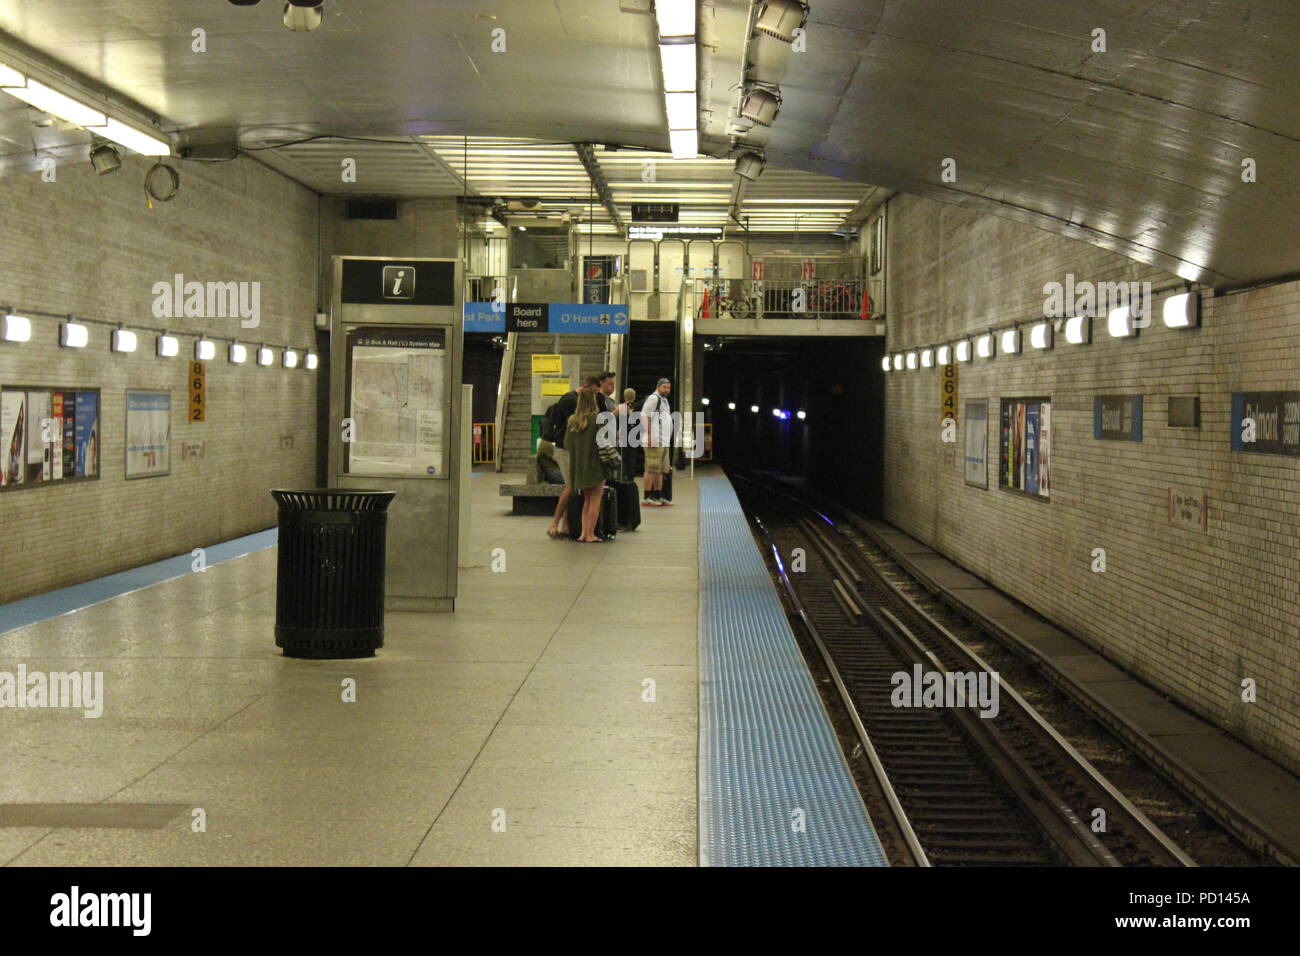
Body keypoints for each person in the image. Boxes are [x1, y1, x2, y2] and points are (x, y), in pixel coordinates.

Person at [546, 375, 599, 539]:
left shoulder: (573, 401)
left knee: (575, 487)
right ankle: (554, 524)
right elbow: (578, 430)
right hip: (566, 451)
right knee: (570, 486)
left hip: (569, 450)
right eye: (596, 393)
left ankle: (566, 526)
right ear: (587, 388)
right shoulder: (570, 401)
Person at [564, 388, 607, 542]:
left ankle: (583, 533)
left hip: (579, 466)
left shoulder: (572, 421)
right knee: (595, 499)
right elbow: (605, 442)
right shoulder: (598, 420)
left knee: (587, 500)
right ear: (593, 401)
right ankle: (590, 534)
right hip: (596, 466)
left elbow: (567, 444)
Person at [640, 377, 673, 507]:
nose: (667, 389)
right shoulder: (654, 399)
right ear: (658, 387)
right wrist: (649, 435)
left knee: (660, 470)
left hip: (663, 441)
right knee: (652, 468)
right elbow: (644, 415)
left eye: (668, 387)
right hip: (655, 439)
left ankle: (658, 496)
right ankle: (647, 497)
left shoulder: (664, 400)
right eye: (664, 387)